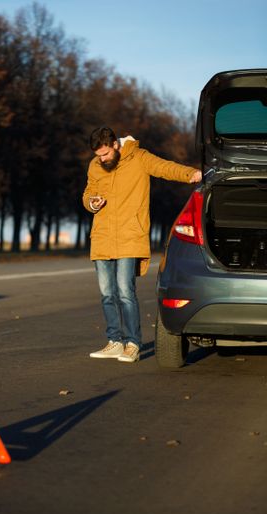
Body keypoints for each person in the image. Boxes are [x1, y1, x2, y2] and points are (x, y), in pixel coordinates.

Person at [82, 126, 202, 362]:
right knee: (107, 294)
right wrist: (91, 203)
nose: (102, 159)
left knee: (125, 292)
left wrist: (190, 174)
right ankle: (114, 341)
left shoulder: (139, 158)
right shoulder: (95, 166)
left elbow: (164, 167)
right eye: (98, 156)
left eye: (105, 154)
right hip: (102, 237)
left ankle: (133, 344)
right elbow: (88, 193)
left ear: (115, 145)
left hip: (130, 235)